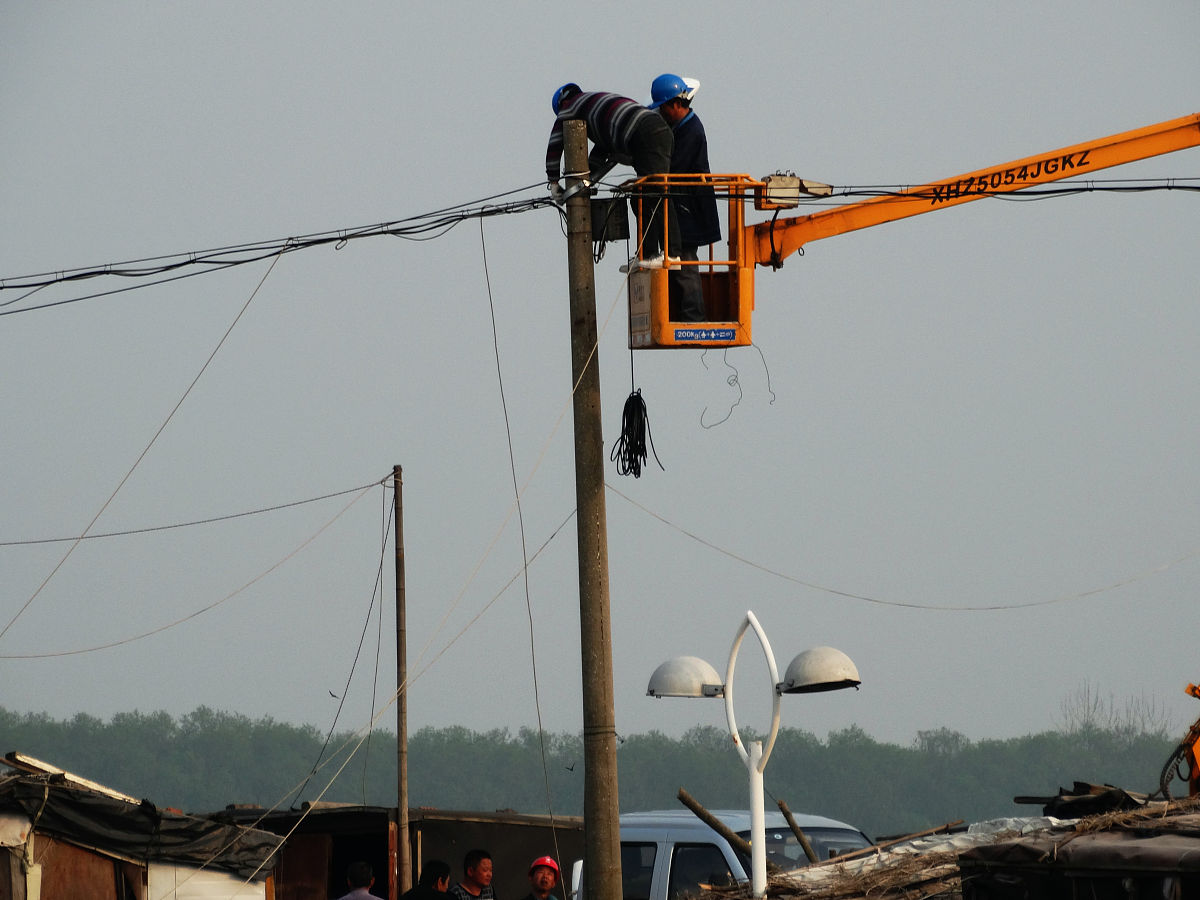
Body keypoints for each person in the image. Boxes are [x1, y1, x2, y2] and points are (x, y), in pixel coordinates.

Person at [545, 82, 680, 266]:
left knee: (656, 193)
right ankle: (649, 254)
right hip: (654, 130)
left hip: (645, 133)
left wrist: (553, 182)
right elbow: (600, 153)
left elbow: (555, 142)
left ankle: (669, 253)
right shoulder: (595, 107)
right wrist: (585, 181)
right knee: (645, 195)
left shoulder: (570, 107)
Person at [648, 74, 721, 323]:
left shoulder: (691, 131)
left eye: (664, 108)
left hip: (689, 210)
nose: (662, 114)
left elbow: (672, 169)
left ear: (676, 105)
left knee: (685, 263)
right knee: (675, 263)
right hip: (679, 207)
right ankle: (680, 313)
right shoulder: (680, 127)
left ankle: (693, 317)